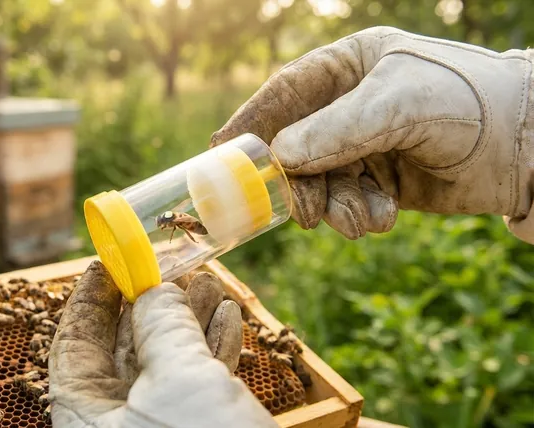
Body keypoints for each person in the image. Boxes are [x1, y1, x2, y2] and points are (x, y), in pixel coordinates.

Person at [47, 26, 534, 427]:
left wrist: (516, 127)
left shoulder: (183, 221)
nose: (172, 220)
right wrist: (518, 130)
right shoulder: (177, 221)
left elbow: (182, 225)